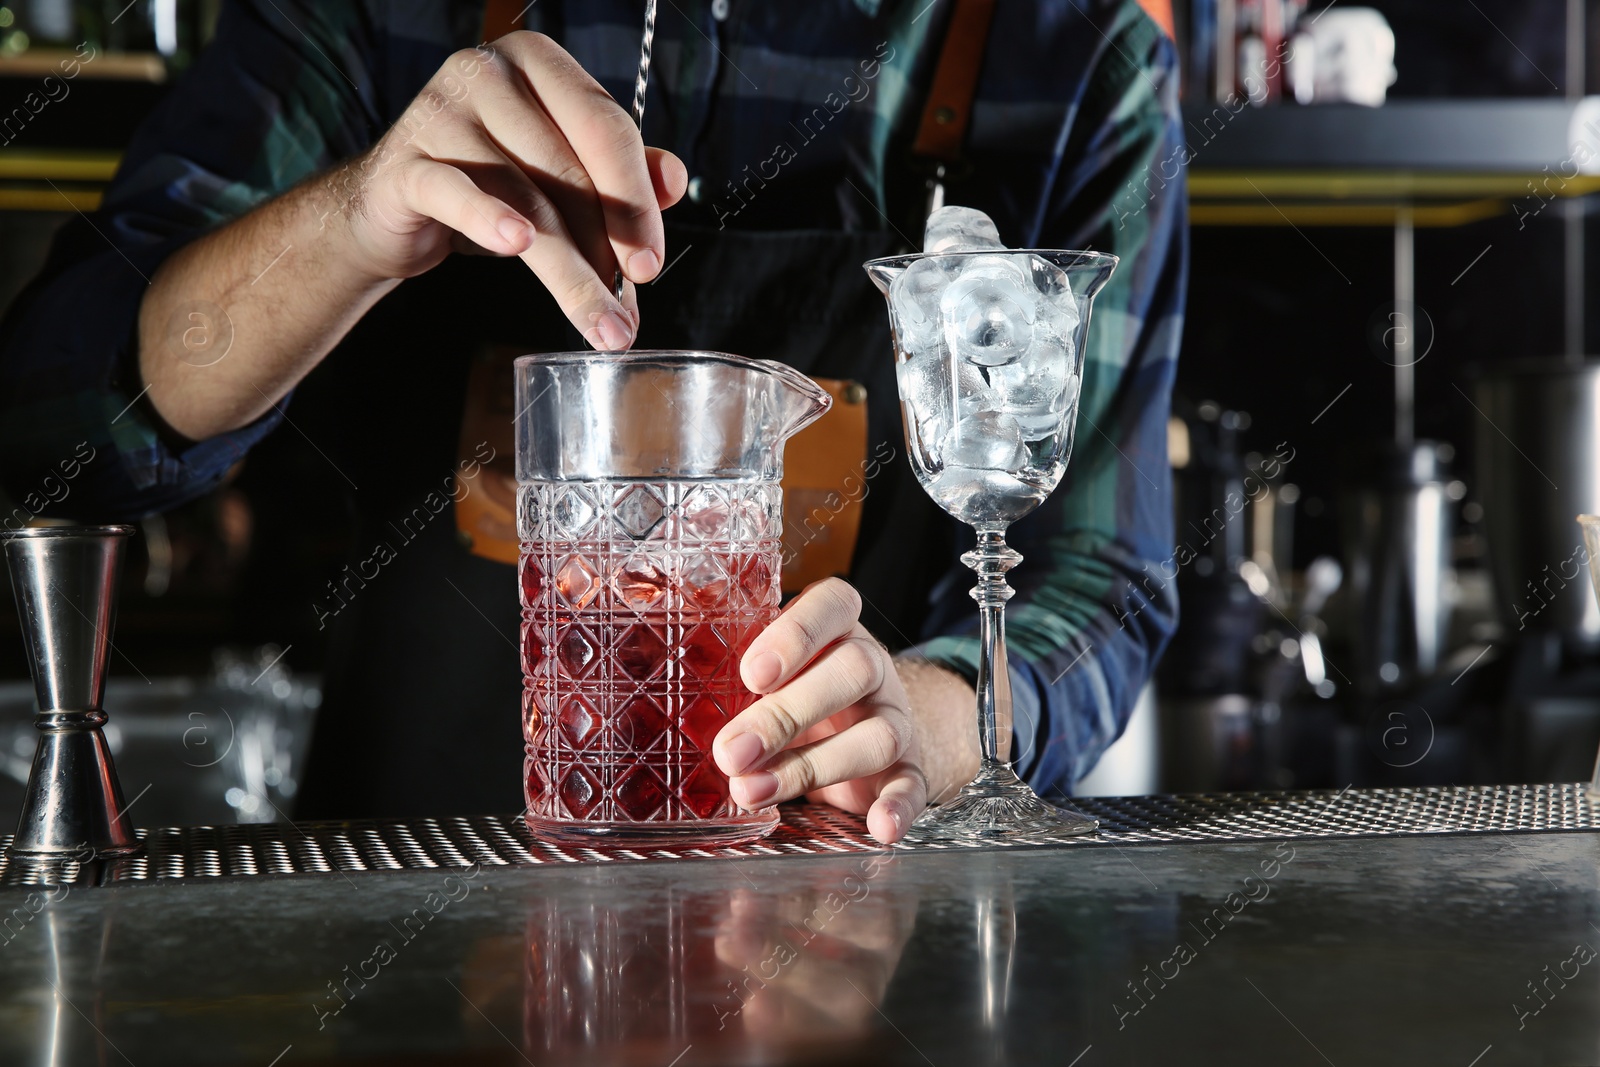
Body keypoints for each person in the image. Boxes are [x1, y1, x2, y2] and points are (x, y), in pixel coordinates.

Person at [0, 0, 1183, 842]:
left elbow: (1100, 578)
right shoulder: (378, 17)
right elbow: (67, 434)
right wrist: (354, 221)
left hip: (855, 945)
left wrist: (924, 720)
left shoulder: (1078, 58)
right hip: (401, 913)